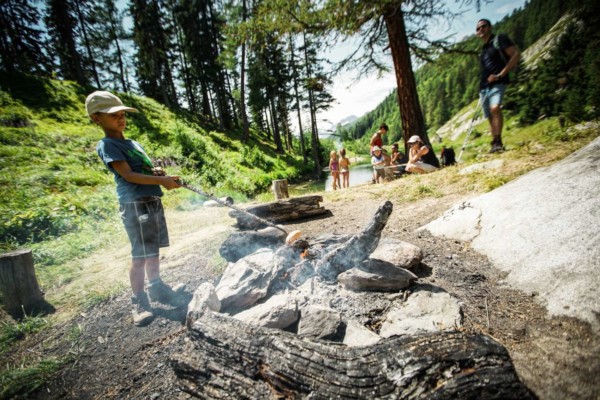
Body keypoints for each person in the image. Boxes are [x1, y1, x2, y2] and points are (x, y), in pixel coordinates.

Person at [86, 90, 185, 327]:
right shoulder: (107, 145)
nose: (121, 119)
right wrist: (162, 181)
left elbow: (142, 170)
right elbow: (128, 175)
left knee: (153, 250)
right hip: (134, 204)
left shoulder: (133, 143)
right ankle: (139, 300)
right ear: (97, 118)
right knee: (139, 255)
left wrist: (158, 174)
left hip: (152, 201)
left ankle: (157, 286)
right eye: (113, 116)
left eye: (122, 114)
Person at [476, 18, 520, 153]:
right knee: (489, 114)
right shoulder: (483, 49)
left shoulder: (499, 39)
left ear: (490, 27)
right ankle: (495, 142)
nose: (481, 30)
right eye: (478, 29)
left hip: (498, 82)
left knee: (495, 108)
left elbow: (516, 55)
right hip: (484, 86)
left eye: (483, 26)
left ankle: (498, 141)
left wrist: (500, 75)